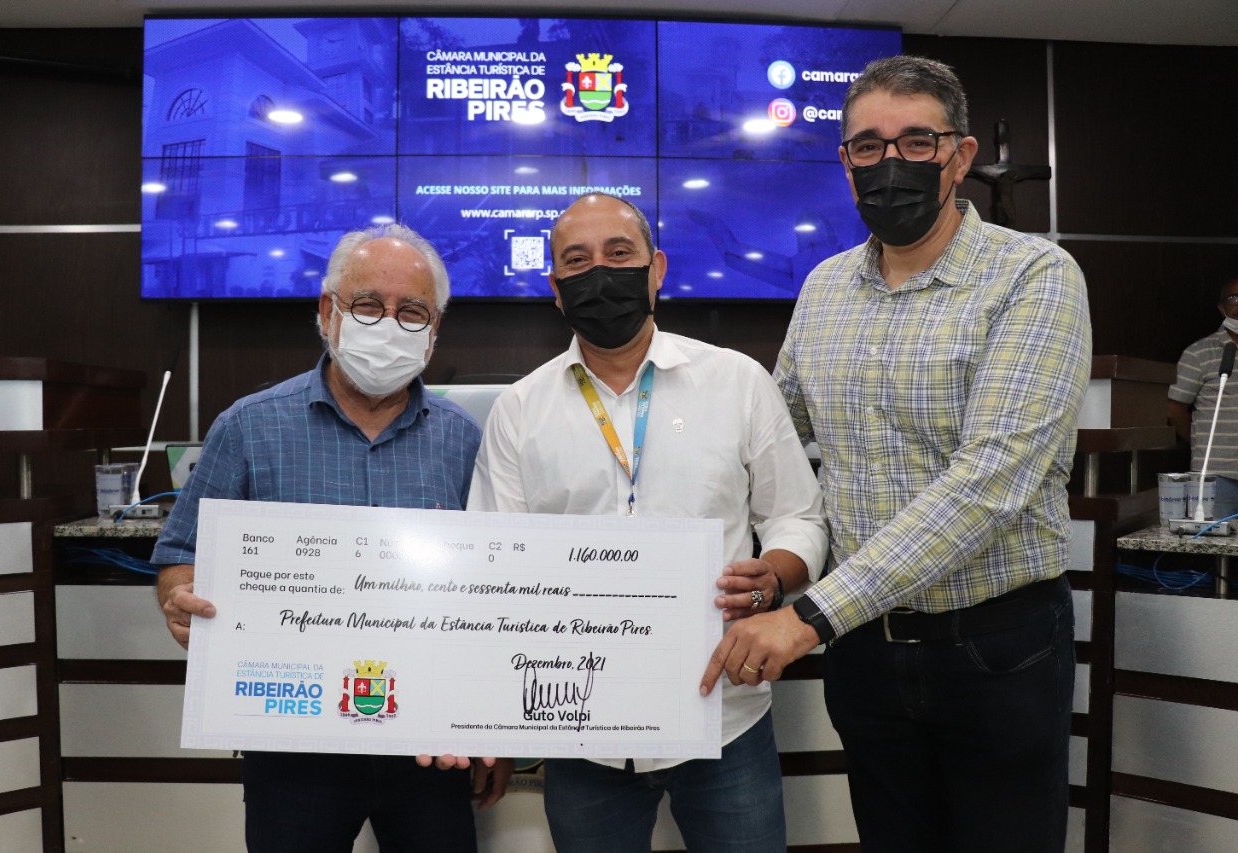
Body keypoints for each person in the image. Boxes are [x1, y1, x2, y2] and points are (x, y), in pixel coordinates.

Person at [701, 55, 1092, 853]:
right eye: (868, 147)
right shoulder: (822, 288)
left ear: (960, 154)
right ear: (845, 162)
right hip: (867, 656)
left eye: (917, 142)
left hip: (996, 648)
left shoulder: (1035, 276)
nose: (891, 164)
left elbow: (990, 482)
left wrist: (809, 615)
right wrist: (768, 565)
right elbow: (776, 438)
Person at [464, 192, 829, 852]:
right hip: (580, 729)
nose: (600, 273)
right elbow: (494, 565)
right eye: (577, 261)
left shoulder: (737, 381)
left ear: (656, 269)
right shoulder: (519, 410)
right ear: (555, 288)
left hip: (724, 714)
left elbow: (798, 516)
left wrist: (774, 576)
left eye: (619, 254)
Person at [152, 223, 509, 852]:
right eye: (368, 305)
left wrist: (495, 731)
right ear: (327, 311)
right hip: (292, 746)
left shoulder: (464, 440)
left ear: (433, 332)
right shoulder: (248, 427)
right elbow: (182, 555)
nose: (388, 325)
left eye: (412, 312)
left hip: (429, 745)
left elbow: (494, 591)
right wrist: (180, 597)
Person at [1168, 276, 1238, 521]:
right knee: (1213, 540)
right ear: (1221, 308)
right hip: (1215, 475)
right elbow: (1175, 409)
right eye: (1234, 298)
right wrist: (1201, 443)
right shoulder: (1198, 353)